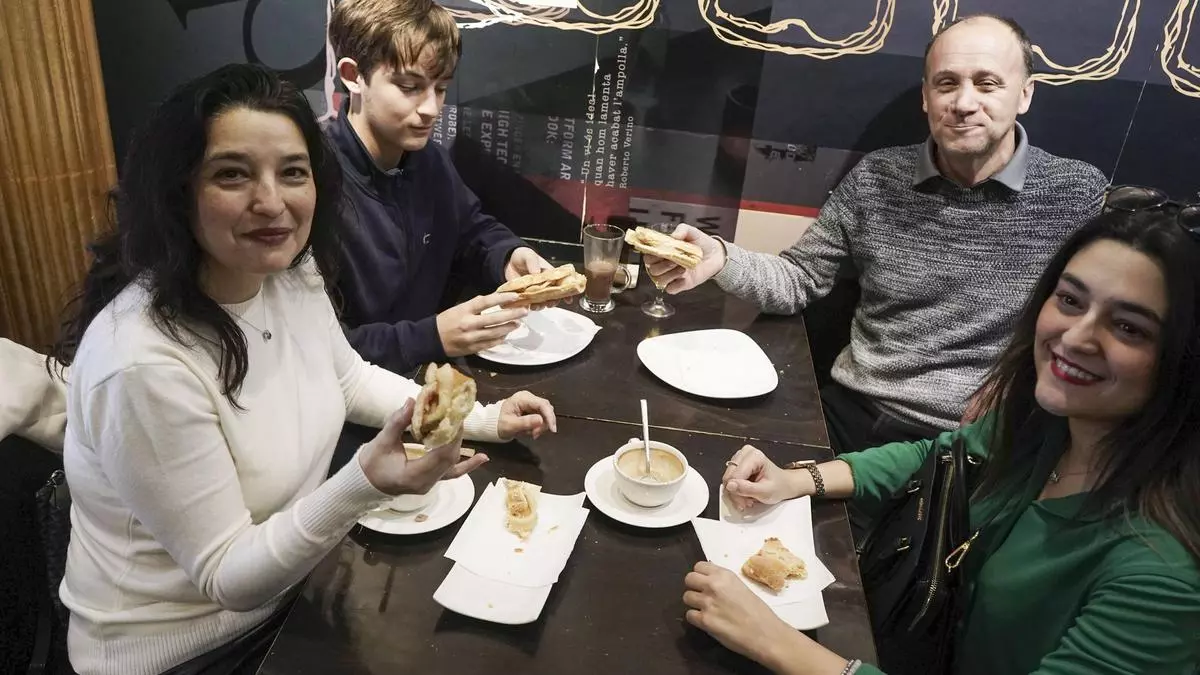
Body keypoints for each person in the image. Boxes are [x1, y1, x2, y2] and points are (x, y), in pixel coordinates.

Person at [49, 63, 556, 675]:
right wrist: (364, 483)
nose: (272, 203)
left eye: (292, 172)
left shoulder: (289, 272)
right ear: (177, 191)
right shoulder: (141, 365)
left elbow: (348, 378)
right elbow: (226, 577)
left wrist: (483, 419)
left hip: (296, 592)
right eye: (232, 174)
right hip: (189, 651)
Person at [684, 205, 1200, 674]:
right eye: (1070, 300)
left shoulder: (1161, 577)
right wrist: (798, 480)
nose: (1076, 336)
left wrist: (775, 642)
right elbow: (939, 457)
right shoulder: (1046, 428)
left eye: (1129, 328)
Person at [645, 15, 1109, 454]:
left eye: (987, 84)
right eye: (947, 83)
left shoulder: (1076, 195)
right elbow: (799, 277)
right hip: (857, 413)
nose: (964, 103)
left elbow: (1098, 325)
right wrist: (719, 257)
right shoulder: (876, 178)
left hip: (981, 437)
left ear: (1025, 94)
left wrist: (1023, 382)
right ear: (926, 96)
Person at [325, 0, 556, 375]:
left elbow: (470, 229)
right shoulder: (314, 185)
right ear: (353, 76)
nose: (431, 108)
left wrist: (507, 255)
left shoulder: (428, 161)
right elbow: (317, 349)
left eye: (441, 88)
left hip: (430, 383)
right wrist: (432, 337)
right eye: (409, 87)